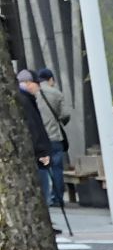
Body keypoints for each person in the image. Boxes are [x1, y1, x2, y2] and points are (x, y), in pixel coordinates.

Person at [15, 66, 54, 201]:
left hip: (33, 153)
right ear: (28, 83)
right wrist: (42, 151)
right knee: (42, 190)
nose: (39, 87)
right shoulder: (26, 101)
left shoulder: (21, 99)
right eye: (37, 83)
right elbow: (34, 128)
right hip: (38, 154)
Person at [34, 68, 69, 209]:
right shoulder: (56, 93)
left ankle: (45, 198)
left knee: (42, 169)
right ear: (51, 79)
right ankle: (57, 199)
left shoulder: (33, 93)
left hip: (39, 139)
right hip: (54, 137)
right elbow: (65, 114)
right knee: (57, 168)